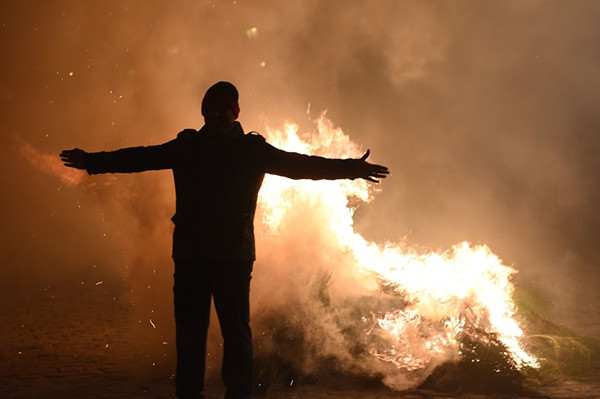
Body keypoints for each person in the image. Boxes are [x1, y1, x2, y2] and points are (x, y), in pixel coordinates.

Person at [60, 81, 389, 399]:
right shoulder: (187, 147)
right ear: (203, 113)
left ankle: (238, 393)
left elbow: (300, 166)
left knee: (235, 332)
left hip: (233, 256)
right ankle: (189, 393)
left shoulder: (252, 151)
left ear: (235, 113)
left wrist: (350, 169)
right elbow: (140, 158)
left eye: (223, 109)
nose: (216, 115)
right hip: (191, 255)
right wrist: (92, 162)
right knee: (190, 331)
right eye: (211, 109)